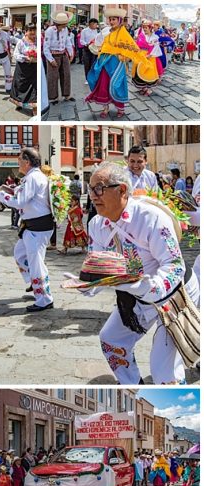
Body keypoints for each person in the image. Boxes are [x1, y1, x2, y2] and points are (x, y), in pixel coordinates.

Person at [85, 162, 199, 384]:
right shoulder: (97, 224)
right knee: (111, 340)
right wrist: (90, 283)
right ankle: (132, 385)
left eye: (100, 188)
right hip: (136, 295)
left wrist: (150, 287)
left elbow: (175, 266)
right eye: (90, 189)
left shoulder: (151, 218)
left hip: (174, 294)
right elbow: (99, 264)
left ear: (122, 190)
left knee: (163, 369)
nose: (93, 195)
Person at [0, 148, 55, 312]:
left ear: (27, 162)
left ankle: (44, 299)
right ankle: (32, 283)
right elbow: (27, 197)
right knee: (20, 254)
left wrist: (0, 195)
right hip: (34, 226)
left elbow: (19, 202)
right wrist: (9, 189)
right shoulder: (33, 177)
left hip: (37, 226)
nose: (18, 163)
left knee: (36, 264)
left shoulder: (33, 178)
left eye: (19, 160)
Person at [86, 8, 157, 118]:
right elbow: (99, 41)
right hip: (104, 61)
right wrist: (97, 47)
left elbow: (133, 48)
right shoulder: (105, 31)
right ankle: (105, 107)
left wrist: (130, 57)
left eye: (114, 19)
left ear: (119, 20)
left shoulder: (124, 33)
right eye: (110, 19)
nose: (111, 21)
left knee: (116, 84)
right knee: (104, 83)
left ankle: (120, 108)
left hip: (116, 62)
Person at [43, 12, 74, 105]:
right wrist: (50, 59)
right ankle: (53, 97)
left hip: (63, 54)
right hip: (53, 55)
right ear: (60, 23)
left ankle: (67, 94)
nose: (66, 24)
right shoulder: (50, 30)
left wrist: (71, 53)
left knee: (66, 74)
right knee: (53, 77)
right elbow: (46, 47)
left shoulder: (65, 30)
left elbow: (67, 41)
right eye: (65, 23)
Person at [9, 24, 38, 110]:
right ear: (26, 32)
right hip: (22, 68)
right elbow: (16, 54)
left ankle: (34, 108)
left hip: (34, 69)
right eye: (30, 30)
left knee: (34, 89)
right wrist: (26, 57)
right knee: (20, 86)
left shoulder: (37, 41)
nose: (33, 32)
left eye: (34, 30)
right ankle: (19, 103)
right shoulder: (21, 42)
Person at [133, 20, 162, 96]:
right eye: (143, 27)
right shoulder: (141, 36)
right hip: (141, 56)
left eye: (146, 27)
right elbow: (137, 45)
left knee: (149, 72)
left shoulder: (155, 37)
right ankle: (143, 88)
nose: (144, 29)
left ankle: (149, 90)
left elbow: (156, 47)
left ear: (150, 28)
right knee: (139, 71)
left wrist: (149, 55)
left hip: (150, 57)